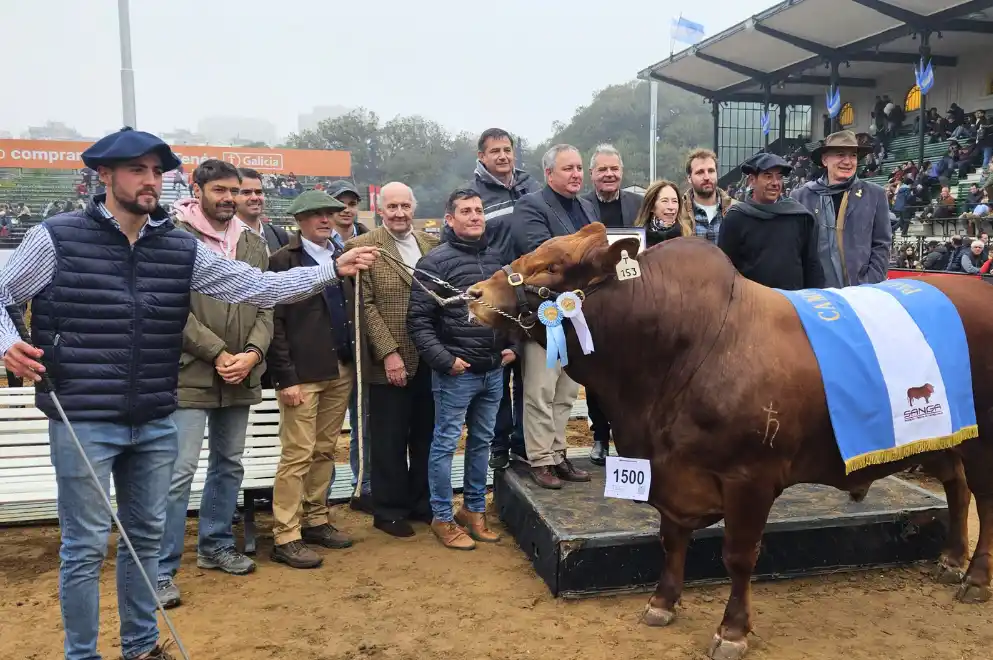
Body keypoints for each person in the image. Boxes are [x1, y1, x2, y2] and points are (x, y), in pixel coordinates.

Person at [0, 127, 378, 660]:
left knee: (145, 539)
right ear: (104, 175)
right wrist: (7, 342)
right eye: (137, 170)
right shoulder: (58, 237)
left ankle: (140, 647)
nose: (150, 181)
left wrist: (331, 270)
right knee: (84, 548)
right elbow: (2, 291)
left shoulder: (177, 247)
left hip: (156, 413)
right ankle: (81, 654)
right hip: (83, 416)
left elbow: (255, 286)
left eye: (157, 171)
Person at [156, 160, 273, 610]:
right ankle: (160, 568)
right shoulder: (173, 237)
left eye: (234, 191)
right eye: (220, 190)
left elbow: (266, 303)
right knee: (177, 472)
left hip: (240, 373)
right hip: (189, 372)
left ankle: (215, 545)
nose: (229, 198)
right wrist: (218, 352)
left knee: (229, 463)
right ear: (197, 188)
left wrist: (252, 354)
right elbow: (169, 307)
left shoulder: (252, 242)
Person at [407, 188, 517, 549]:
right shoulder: (433, 262)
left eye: (478, 210)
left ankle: (473, 510)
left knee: (482, 441)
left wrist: (512, 346)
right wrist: (445, 361)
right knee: (445, 443)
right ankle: (442, 517)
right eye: (466, 211)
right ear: (449, 219)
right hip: (457, 373)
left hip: (493, 370)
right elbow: (419, 321)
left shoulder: (497, 260)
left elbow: (510, 309)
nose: (474, 216)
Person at [266, 191, 358, 569]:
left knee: (325, 449)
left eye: (329, 214)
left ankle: (316, 519)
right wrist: (285, 377)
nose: (325, 219)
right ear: (299, 220)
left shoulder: (342, 255)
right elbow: (273, 323)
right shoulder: (282, 261)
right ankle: (286, 534)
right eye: (316, 214)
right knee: (297, 454)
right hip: (302, 375)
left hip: (340, 368)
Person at [345, 182, 440, 537]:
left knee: (425, 434)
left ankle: (421, 503)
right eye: (392, 207)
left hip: (429, 357)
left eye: (405, 206)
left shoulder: (431, 245)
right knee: (389, 438)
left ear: (413, 208)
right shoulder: (362, 247)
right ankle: (389, 510)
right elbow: (365, 306)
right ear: (380, 210)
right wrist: (389, 353)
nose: (400, 213)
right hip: (390, 360)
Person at [514, 145, 595, 489]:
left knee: (567, 391)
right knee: (540, 391)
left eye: (579, 168)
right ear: (549, 174)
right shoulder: (531, 206)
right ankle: (540, 458)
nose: (576, 174)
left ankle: (559, 454)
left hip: (578, 316)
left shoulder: (587, 206)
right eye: (568, 169)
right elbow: (544, 256)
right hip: (544, 315)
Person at [467, 127, 539, 470]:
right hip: (497, 296)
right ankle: (499, 445)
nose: (502, 156)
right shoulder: (474, 195)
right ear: (481, 157)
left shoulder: (531, 187)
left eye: (507, 149)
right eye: (494, 151)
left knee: (529, 371)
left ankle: (524, 443)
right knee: (498, 372)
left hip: (531, 297)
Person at [791, 130, 891, 287]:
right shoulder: (801, 197)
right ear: (825, 160)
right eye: (840, 155)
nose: (848, 161)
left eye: (853, 156)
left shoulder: (875, 194)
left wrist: (869, 284)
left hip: (861, 291)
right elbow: (795, 248)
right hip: (814, 293)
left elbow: (882, 245)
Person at [326, 180, 373, 513]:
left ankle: (364, 486)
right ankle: (320, 494)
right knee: (325, 430)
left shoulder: (371, 240)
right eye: (339, 203)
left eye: (352, 203)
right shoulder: (318, 243)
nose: (346, 208)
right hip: (328, 346)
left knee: (364, 422)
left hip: (363, 347)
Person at [718, 153, 825, 291]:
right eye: (768, 176)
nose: (775, 183)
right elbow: (725, 270)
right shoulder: (736, 218)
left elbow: (812, 266)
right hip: (752, 301)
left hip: (792, 300)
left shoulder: (799, 217)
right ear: (752, 180)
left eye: (779, 177)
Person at [679, 148, 735, 244]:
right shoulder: (678, 212)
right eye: (700, 172)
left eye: (711, 171)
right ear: (689, 178)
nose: (707, 177)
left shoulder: (736, 209)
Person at [581, 144, 642, 227]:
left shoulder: (639, 204)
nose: (609, 174)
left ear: (622, 172)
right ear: (591, 173)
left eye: (614, 169)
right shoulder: (579, 206)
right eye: (602, 169)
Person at [234, 167, 289, 254]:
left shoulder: (279, 235)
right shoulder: (223, 236)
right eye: (246, 192)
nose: (255, 198)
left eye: (258, 192)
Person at [633, 179, 691, 248]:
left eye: (674, 201)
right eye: (665, 201)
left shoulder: (687, 235)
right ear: (651, 206)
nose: (671, 207)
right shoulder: (637, 239)